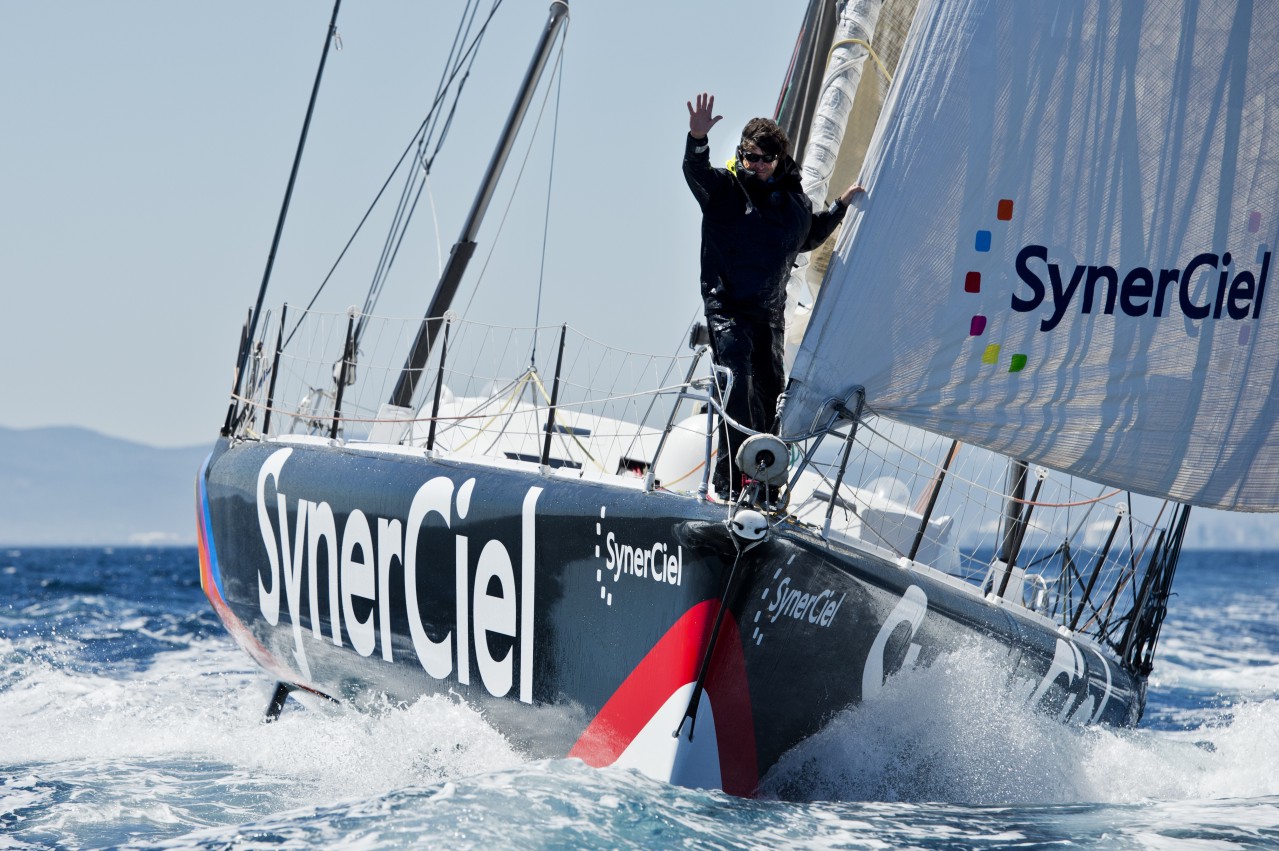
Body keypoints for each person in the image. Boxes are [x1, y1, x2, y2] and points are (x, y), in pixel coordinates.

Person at [684, 92, 862, 500]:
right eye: (750, 157)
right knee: (738, 383)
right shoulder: (725, 190)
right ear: (741, 155)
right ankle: (731, 484)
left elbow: (808, 236)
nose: (757, 165)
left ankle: (764, 487)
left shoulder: (794, 205)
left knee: (769, 391)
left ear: (779, 160)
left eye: (765, 158)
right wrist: (697, 139)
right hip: (728, 309)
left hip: (768, 316)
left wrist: (840, 207)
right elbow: (695, 170)